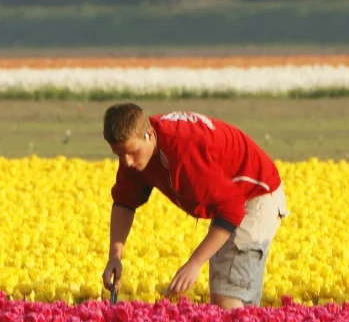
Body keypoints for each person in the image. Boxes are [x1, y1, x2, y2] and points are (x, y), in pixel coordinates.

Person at [101, 102, 288, 309]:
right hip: (229, 198)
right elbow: (124, 203)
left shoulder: (184, 152)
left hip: (255, 196)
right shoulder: (135, 152)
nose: (126, 162)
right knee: (229, 291)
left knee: (227, 295)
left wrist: (194, 263)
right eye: (119, 155)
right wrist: (115, 257)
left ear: (150, 135)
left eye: (132, 152)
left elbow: (233, 209)